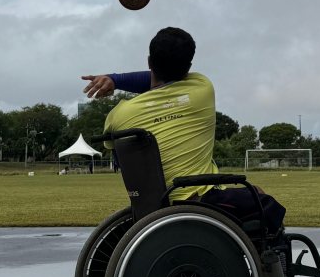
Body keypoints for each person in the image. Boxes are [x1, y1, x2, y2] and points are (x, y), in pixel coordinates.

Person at [81, 27, 286, 228]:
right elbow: (162, 81)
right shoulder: (202, 89)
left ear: (149, 61)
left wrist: (114, 80)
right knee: (263, 201)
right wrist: (117, 80)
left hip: (153, 208)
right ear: (188, 68)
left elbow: (115, 149)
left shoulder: (118, 115)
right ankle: (273, 263)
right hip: (202, 202)